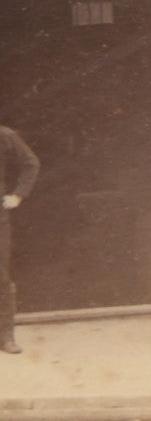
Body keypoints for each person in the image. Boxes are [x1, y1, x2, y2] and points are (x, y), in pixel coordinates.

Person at [0, 124, 38, 355]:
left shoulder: (4, 135)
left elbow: (30, 163)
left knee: (0, 278)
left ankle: (6, 337)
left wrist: (18, 195)